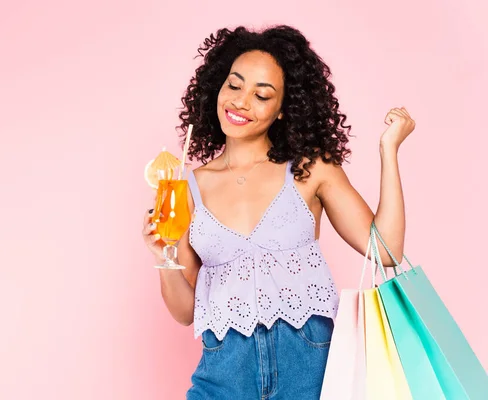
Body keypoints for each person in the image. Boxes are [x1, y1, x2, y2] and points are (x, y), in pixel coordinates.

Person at [141, 24, 415, 400]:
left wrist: (389, 150)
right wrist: (163, 257)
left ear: (284, 109)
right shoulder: (187, 187)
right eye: (234, 86)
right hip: (223, 374)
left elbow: (387, 251)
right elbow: (185, 312)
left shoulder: (311, 169)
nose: (241, 102)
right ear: (217, 88)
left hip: (310, 368)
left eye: (262, 94)